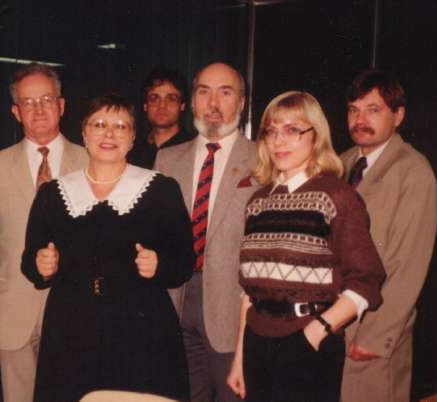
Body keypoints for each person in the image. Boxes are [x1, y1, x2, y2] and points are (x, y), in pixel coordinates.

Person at [21, 94, 194, 402]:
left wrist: (160, 264)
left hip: (140, 330)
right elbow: (30, 261)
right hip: (71, 329)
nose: (109, 134)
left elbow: (184, 262)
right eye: (99, 125)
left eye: (120, 126)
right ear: (84, 134)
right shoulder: (53, 194)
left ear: (132, 138)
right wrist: (41, 264)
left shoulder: (161, 190)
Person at [226, 91, 386, 402]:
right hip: (257, 343)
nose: (278, 141)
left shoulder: (337, 196)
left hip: (308, 343)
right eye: (271, 131)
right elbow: (249, 291)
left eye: (292, 130)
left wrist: (315, 332)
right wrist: (239, 358)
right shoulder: (258, 202)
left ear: (316, 136)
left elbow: (367, 281)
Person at [0, 64, 88, 402]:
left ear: (62, 106)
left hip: (74, 314)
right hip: (10, 313)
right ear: (15, 112)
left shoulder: (91, 161)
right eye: (28, 102)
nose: (38, 109)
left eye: (46, 99)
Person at [154, 62, 258, 402]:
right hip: (174, 304)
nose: (213, 103)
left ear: (241, 103)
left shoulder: (265, 159)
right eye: (204, 92)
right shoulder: (166, 160)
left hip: (234, 312)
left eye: (225, 92)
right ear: (193, 101)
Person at [340, 70, 437, 402]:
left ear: (398, 116)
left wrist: (375, 337)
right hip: (335, 325)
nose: (360, 119)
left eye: (373, 109)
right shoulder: (342, 164)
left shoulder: (413, 172)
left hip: (375, 334)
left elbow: (408, 267)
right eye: (354, 109)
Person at [129, 66, 195, 168]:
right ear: (145, 105)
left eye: (171, 99)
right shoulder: (131, 149)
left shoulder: (194, 148)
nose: (162, 106)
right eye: (154, 98)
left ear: (182, 105)